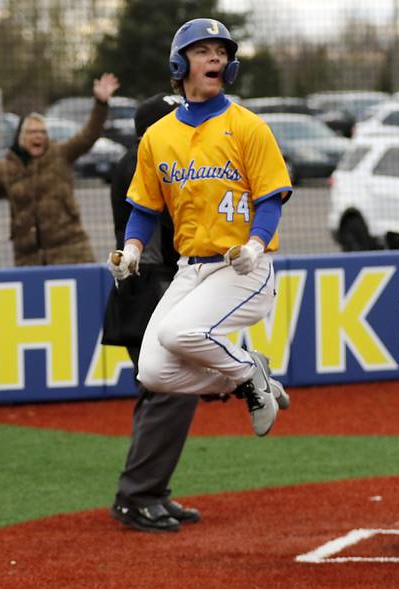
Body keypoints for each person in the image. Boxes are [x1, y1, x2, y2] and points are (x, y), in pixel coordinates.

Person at [107, 18, 291, 440]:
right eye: (204, 50)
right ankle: (248, 375)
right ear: (180, 64)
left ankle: (247, 373)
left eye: (222, 52)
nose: (216, 58)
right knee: (152, 371)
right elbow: (143, 208)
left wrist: (256, 246)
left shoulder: (249, 126)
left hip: (242, 269)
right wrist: (132, 250)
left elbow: (270, 199)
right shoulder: (157, 136)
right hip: (190, 269)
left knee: (178, 333)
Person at [106, 93, 202, 533]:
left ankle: (149, 490)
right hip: (150, 289)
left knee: (161, 392)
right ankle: (138, 495)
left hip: (148, 289)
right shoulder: (144, 161)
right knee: (171, 392)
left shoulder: (141, 158)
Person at [0, 73, 120, 266]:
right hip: (29, 260)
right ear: (21, 137)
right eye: (32, 132)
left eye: (42, 132)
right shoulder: (6, 167)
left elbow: (89, 135)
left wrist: (101, 104)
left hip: (71, 253)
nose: (38, 136)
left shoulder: (61, 154)